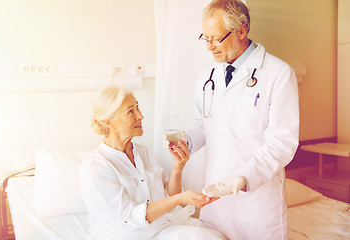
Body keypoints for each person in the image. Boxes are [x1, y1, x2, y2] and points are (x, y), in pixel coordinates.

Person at [181, 0, 299, 239]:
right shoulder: (207, 76)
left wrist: (245, 177)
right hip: (215, 200)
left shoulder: (278, 73)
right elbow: (203, 124)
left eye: (216, 38)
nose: (209, 47)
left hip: (256, 204)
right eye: (206, 38)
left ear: (242, 30)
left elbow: (281, 143)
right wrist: (185, 141)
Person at [80, 86, 226, 240]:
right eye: (131, 111)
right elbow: (130, 216)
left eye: (138, 108)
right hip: (123, 235)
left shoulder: (145, 153)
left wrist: (178, 167)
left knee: (211, 237)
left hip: (161, 229)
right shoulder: (96, 167)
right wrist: (180, 198)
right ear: (109, 121)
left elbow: (170, 201)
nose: (140, 116)